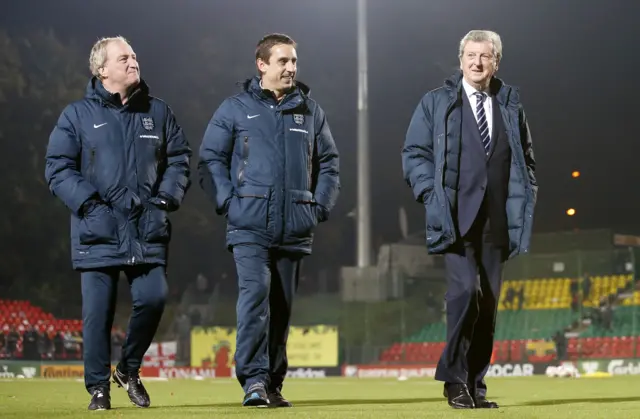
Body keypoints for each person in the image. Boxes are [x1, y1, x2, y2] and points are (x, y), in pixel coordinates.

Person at [44, 36, 191, 411]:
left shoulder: (158, 113)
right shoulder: (76, 115)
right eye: (123, 57)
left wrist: (163, 200)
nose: (133, 61)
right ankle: (98, 389)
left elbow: (179, 159)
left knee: (154, 298)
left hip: (146, 227)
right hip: (98, 228)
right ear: (102, 69)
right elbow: (57, 169)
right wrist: (91, 206)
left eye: (135, 56)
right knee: (98, 316)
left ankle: (127, 369)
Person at [198, 33, 339, 408]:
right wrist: (230, 201)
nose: (291, 67)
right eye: (283, 61)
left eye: (294, 61)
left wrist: (317, 206)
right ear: (262, 64)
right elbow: (210, 160)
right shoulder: (234, 108)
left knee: (282, 307)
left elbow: (330, 165)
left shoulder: (310, 111)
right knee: (255, 298)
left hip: (294, 226)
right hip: (249, 225)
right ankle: (254, 381)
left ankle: (273, 382)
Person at [401, 30, 537, 409]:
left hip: (497, 220)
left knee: (489, 306)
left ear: (497, 63)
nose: (478, 63)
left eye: (486, 56)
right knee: (465, 295)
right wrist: (431, 193)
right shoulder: (436, 103)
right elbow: (414, 153)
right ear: (460, 60)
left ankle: (475, 385)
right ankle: (453, 379)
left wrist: (522, 200)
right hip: (455, 217)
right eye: (471, 55)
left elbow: (526, 159)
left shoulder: (511, 104)